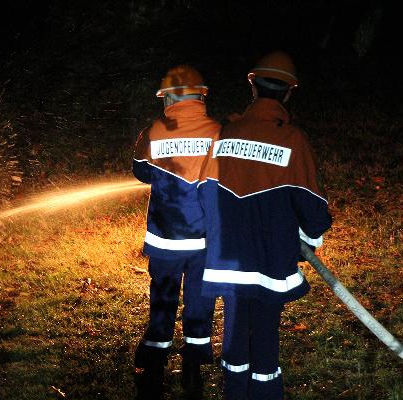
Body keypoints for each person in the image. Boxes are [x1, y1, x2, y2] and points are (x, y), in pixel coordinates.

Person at [198, 51, 332, 399]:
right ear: (288, 93)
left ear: (253, 86)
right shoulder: (292, 140)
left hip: (229, 258)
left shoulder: (225, 134)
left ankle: (234, 391)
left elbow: (204, 192)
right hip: (269, 260)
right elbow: (312, 206)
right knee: (265, 332)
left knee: (235, 328)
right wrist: (309, 237)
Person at [132, 64, 221, 399]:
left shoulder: (154, 131)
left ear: (168, 98)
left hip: (165, 240)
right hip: (204, 241)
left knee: (163, 298)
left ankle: (154, 364)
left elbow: (141, 172)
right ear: (201, 96)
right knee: (200, 300)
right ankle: (194, 367)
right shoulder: (217, 131)